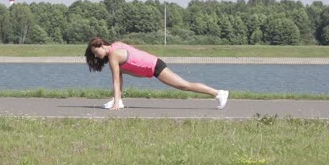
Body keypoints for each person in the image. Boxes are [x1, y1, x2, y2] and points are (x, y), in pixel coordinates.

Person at [85, 37, 229, 110]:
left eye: (96, 52)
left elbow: (116, 80)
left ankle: (219, 93)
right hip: (153, 65)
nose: (97, 56)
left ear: (102, 46)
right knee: (120, 72)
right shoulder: (116, 45)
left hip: (155, 67)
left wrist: (115, 103)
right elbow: (121, 75)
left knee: (184, 85)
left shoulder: (113, 56)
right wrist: (116, 100)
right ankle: (119, 100)